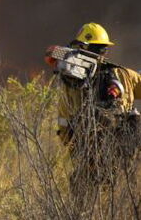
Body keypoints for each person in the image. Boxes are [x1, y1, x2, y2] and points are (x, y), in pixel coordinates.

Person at [55, 22, 141, 196]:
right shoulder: (124, 74)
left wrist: (72, 146)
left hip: (87, 155)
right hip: (124, 156)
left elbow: (64, 124)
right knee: (122, 194)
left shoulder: (70, 83)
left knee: (86, 197)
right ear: (104, 50)